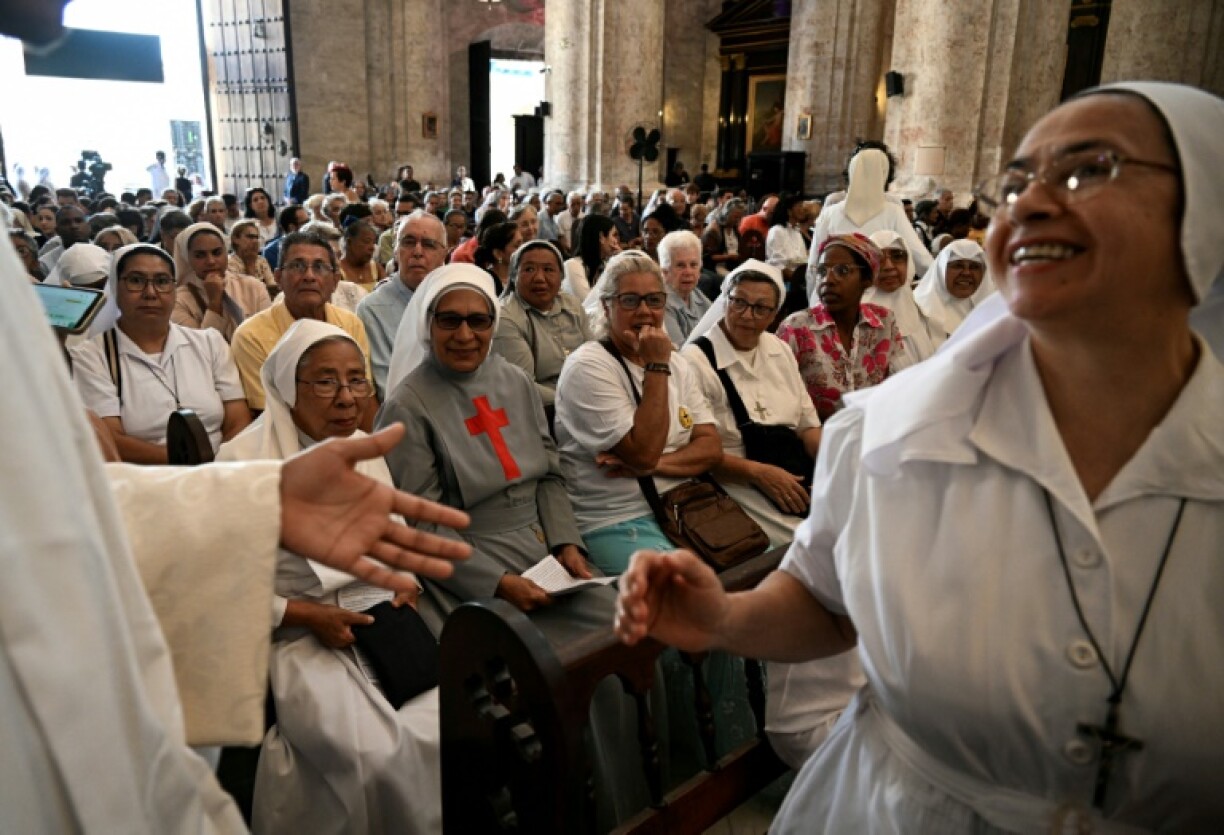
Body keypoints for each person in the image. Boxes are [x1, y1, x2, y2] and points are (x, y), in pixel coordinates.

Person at [615, 81, 1224, 831]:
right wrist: (725, 618)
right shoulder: (886, 432)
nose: (1030, 203)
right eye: (1017, 182)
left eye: (1088, 169)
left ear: (1209, 209)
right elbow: (824, 598)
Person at [217, 320, 440, 834]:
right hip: (296, 634)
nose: (346, 399)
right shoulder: (242, 463)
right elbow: (222, 584)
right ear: (286, 387)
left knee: (442, 726)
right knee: (371, 752)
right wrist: (306, 616)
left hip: (381, 621)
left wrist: (405, 581)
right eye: (324, 382)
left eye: (356, 380)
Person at [679, 260, 862, 768]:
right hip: (735, 484)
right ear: (726, 300)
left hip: (791, 474)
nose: (748, 315)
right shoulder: (695, 360)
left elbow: (806, 423)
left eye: (762, 308)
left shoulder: (779, 350)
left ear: (775, 312)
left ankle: (835, 694)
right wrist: (762, 475)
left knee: (850, 538)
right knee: (798, 564)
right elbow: (703, 449)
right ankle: (784, 706)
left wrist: (841, 466)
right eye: (739, 302)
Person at [554, 250, 721, 575]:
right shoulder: (589, 366)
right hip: (617, 518)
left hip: (685, 506)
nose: (645, 311)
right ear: (606, 306)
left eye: (654, 300)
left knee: (760, 567)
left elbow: (710, 448)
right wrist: (656, 365)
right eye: (630, 301)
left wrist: (655, 466)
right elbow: (642, 452)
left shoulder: (678, 363)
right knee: (687, 597)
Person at [71, 242, 251, 463]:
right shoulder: (92, 356)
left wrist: (217, 467)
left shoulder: (209, 342)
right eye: (136, 281)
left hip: (220, 470)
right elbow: (111, 438)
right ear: (116, 288)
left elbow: (238, 419)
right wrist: (192, 463)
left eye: (162, 282)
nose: (150, 293)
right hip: (144, 479)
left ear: (174, 290)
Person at [231, 229, 373, 412]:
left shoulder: (350, 324)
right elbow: (267, 414)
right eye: (297, 266)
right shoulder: (252, 335)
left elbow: (364, 398)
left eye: (319, 267)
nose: (309, 276)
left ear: (335, 281)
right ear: (278, 278)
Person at [778, 233, 908, 421]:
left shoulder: (884, 322)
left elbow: (890, 385)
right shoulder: (796, 327)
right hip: (815, 436)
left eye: (842, 270)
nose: (828, 280)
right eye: (822, 271)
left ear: (867, 279)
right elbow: (781, 396)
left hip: (870, 428)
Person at [806, 149, 933, 303]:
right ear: (884, 175)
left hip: (836, 297)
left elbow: (813, 265)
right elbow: (922, 259)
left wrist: (813, 299)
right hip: (881, 301)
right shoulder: (893, 212)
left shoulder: (830, 214)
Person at [492, 240, 591, 409]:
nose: (539, 278)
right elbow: (523, 386)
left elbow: (593, 355)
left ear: (561, 277)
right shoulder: (506, 317)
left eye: (548, 269)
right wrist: (576, 400)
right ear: (514, 276)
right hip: (544, 410)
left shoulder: (572, 305)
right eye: (529, 269)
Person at [172, 221, 272, 341]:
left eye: (217, 253)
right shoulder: (178, 301)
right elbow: (201, 348)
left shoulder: (253, 287)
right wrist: (214, 303)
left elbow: (267, 337)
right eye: (200, 255)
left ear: (226, 252)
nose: (211, 261)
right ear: (188, 258)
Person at [864, 230, 940, 364]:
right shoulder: (859, 318)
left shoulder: (919, 311)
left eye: (897, 256)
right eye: (878, 258)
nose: (888, 266)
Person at [912, 238, 996, 345]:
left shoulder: (994, 312)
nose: (966, 273)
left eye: (974, 267)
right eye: (957, 265)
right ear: (942, 270)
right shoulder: (920, 310)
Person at [657, 230, 710, 346]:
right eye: (680, 265)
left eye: (693, 265)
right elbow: (681, 352)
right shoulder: (661, 303)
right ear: (665, 271)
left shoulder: (696, 294)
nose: (688, 272)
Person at [562, 213, 619, 304]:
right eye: (614, 235)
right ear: (601, 237)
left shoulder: (604, 265)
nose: (616, 241)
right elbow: (589, 304)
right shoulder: (572, 266)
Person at [765, 194, 810, 282]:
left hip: (800, 277)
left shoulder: (797, 232)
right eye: (799, 206)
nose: (803, 209)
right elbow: (778, 265)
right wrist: (798, 280)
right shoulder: (777, 231)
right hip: (785, 280)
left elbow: (803, 259)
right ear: (789, 211)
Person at [228, 218, 278, 291]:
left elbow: (273, 287)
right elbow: (247, 293)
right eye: (250, 237)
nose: (255, 241)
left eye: (257, 237)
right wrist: (250, 265)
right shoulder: (229, 263)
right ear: (235, 239)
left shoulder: (261, 260)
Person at [339, 219, 384, 293]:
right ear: (349, 242)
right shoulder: (337, 271)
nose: (372, 247)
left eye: (373, 242)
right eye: (367, 242)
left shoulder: (376, 268)